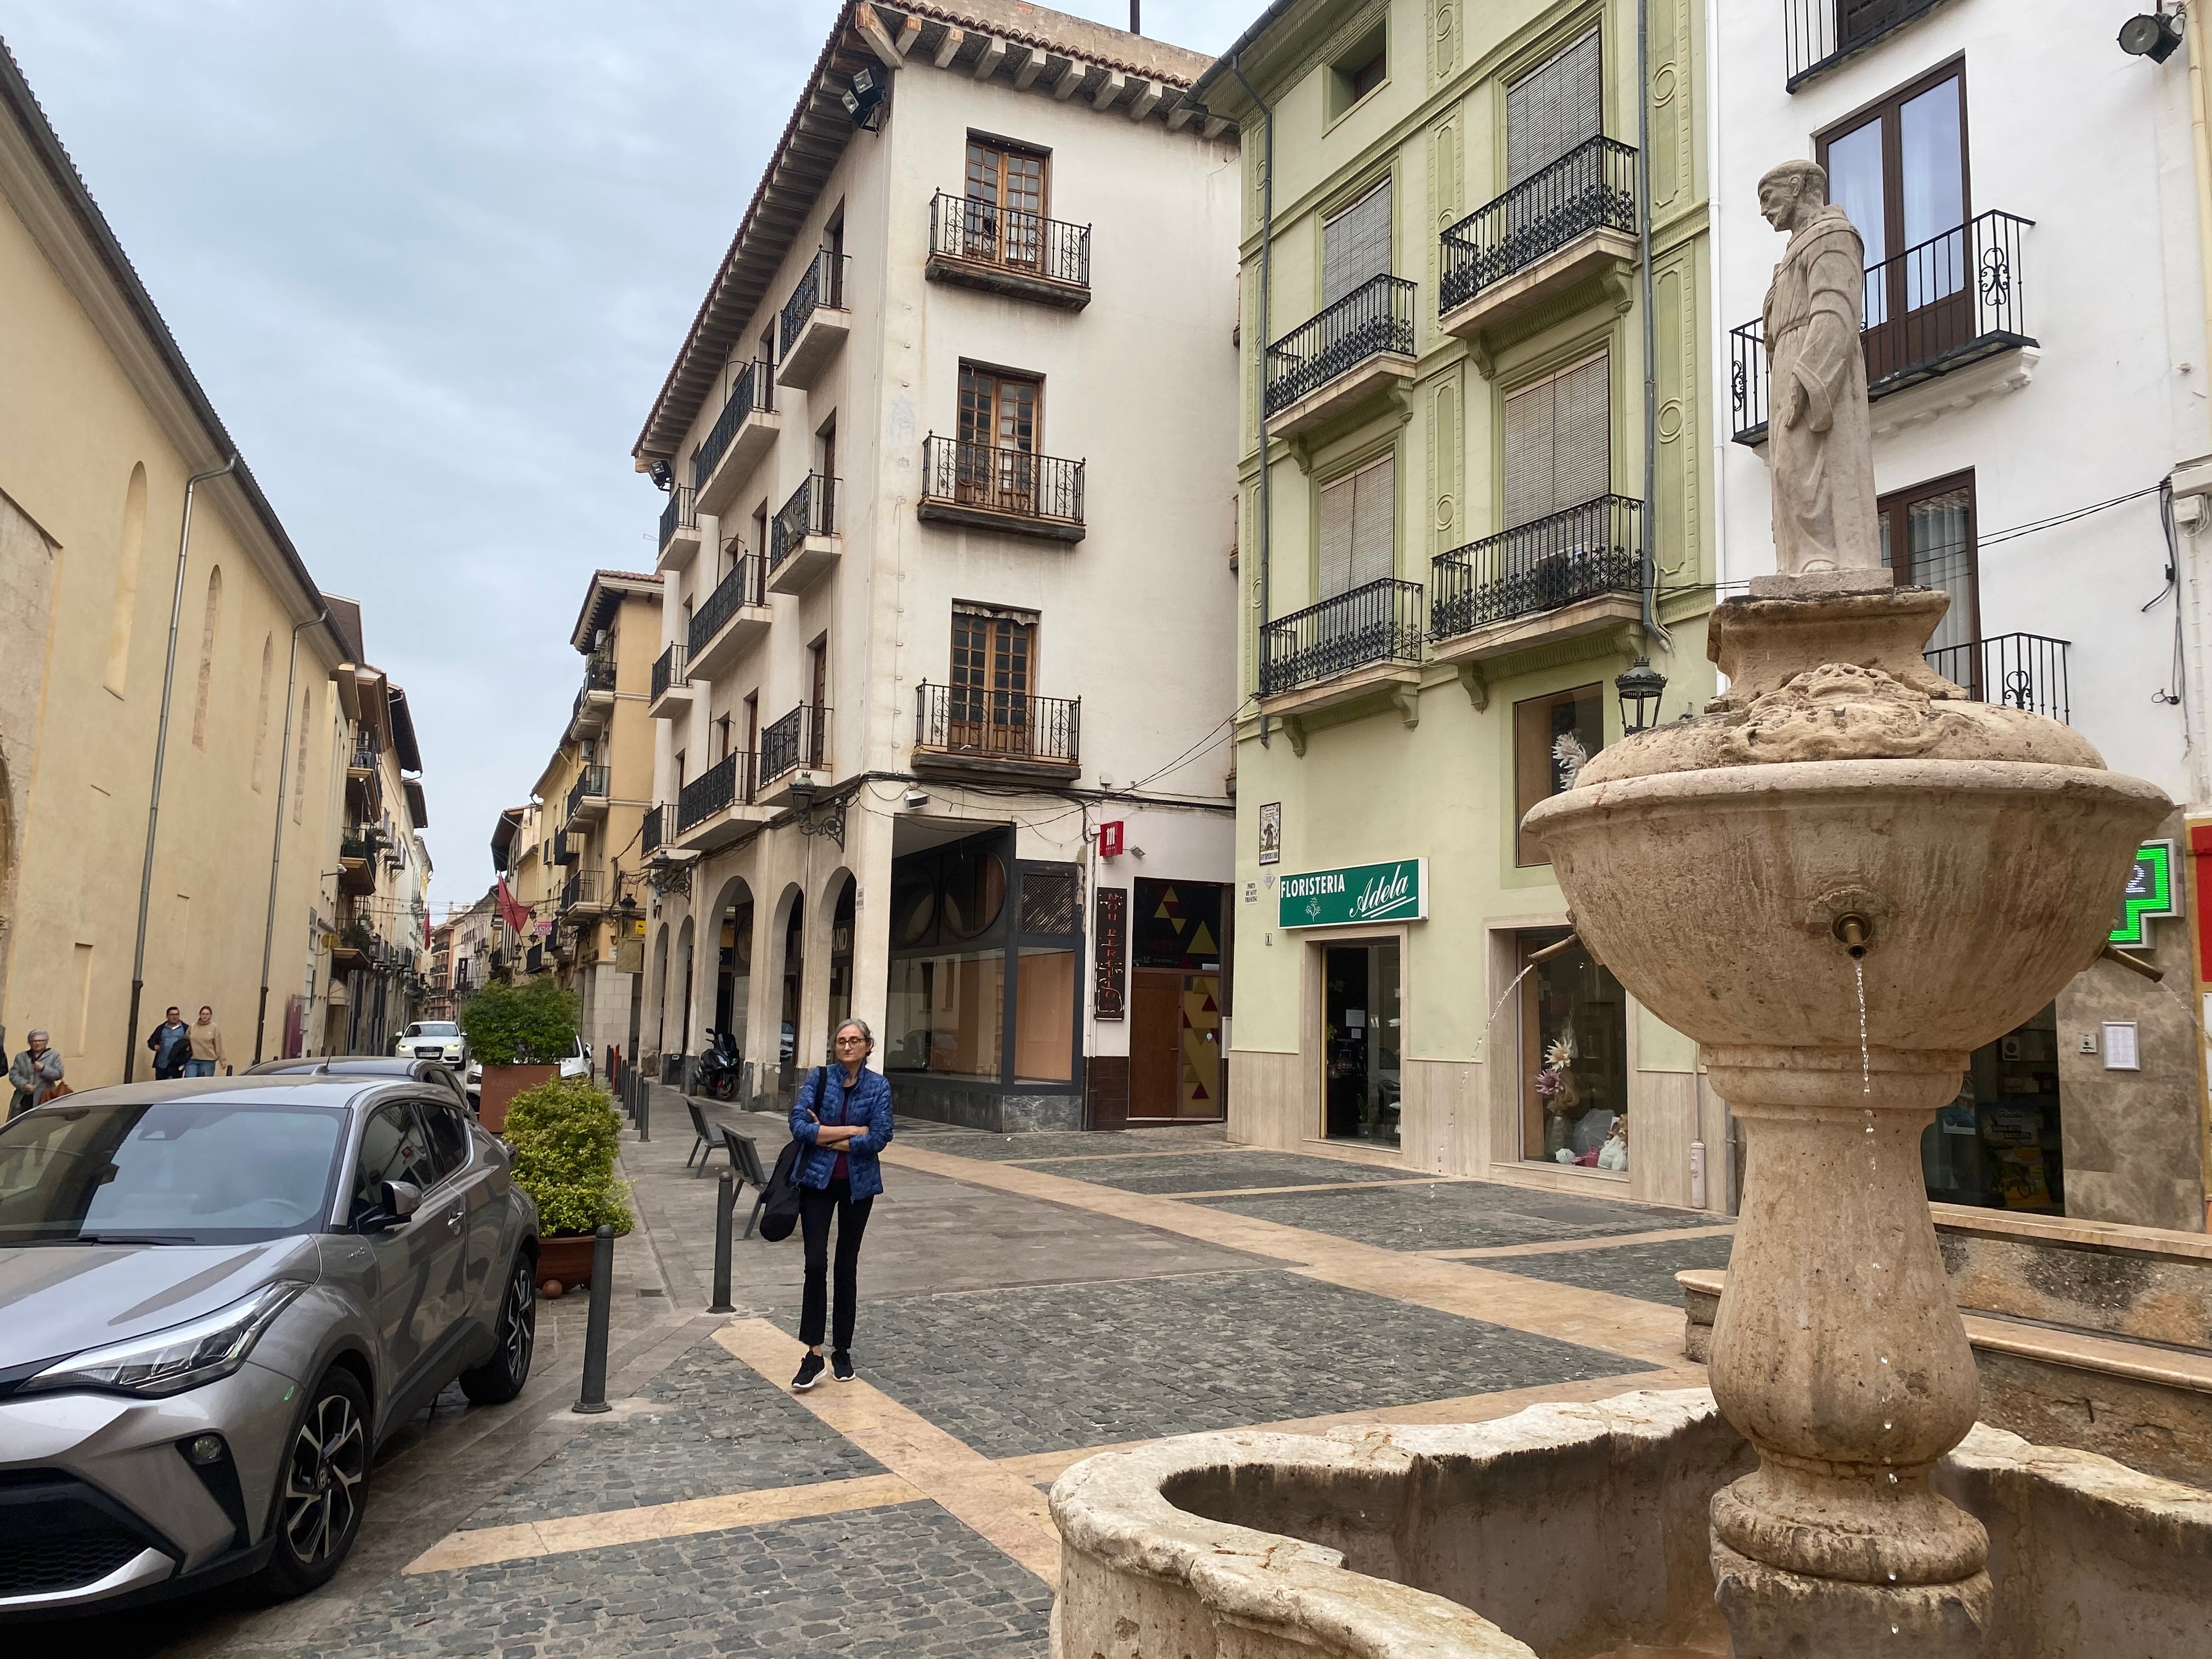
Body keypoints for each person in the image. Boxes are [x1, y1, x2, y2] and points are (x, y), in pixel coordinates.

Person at [787, 1018, 894, 1391]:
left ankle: (842, 1349)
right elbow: (800, 1126)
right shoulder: (819, 1079)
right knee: (815, 1263)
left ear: (868, 1046)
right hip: (817, 1182)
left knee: (846, 1265)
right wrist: (850, 1131)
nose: (848, 1046)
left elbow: (880, 1136)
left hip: (858, 1186)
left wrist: (826, 1136)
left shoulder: (879, 1086)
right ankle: (813, 1353)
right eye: (842, 1041)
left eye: (855, 1041)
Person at [9, 1030, 64, 1118]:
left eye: (41, 1041)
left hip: (44, 1097)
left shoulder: (53, 1055)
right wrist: (24, 1084)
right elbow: (13, 1075)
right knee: (19, 1122)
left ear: (46, 1042)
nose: (37, 1043)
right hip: (24, 1098)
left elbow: (59, 1074)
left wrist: (43, 1069)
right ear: (29, 1043)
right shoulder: (21, 1057)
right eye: (34, 1041)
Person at [146, 1006, 192, 1080]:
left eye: (177, 1014)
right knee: (160, 1085)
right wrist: (155, 1046)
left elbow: (192, 1043)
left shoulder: (186, 1028)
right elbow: (151, 1041)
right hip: (162, 1062)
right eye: (172, 1015)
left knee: (175, 1086)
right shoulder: (161, 1028)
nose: (175, 1017)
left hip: (177, 1064)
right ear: (167, 1016)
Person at [185, 1005, 226, 1077]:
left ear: (211, 1016)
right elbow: (186, 1039)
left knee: (203, 1083)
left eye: (207, 1014)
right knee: (190, 1082)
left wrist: (222, 1060)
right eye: (203, 1014)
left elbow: (218, 1044)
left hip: (208, 1060)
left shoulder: (214, 1027)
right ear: (200, 1015)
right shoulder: (193, 1026)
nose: (205, 1016)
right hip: (192, 1059)